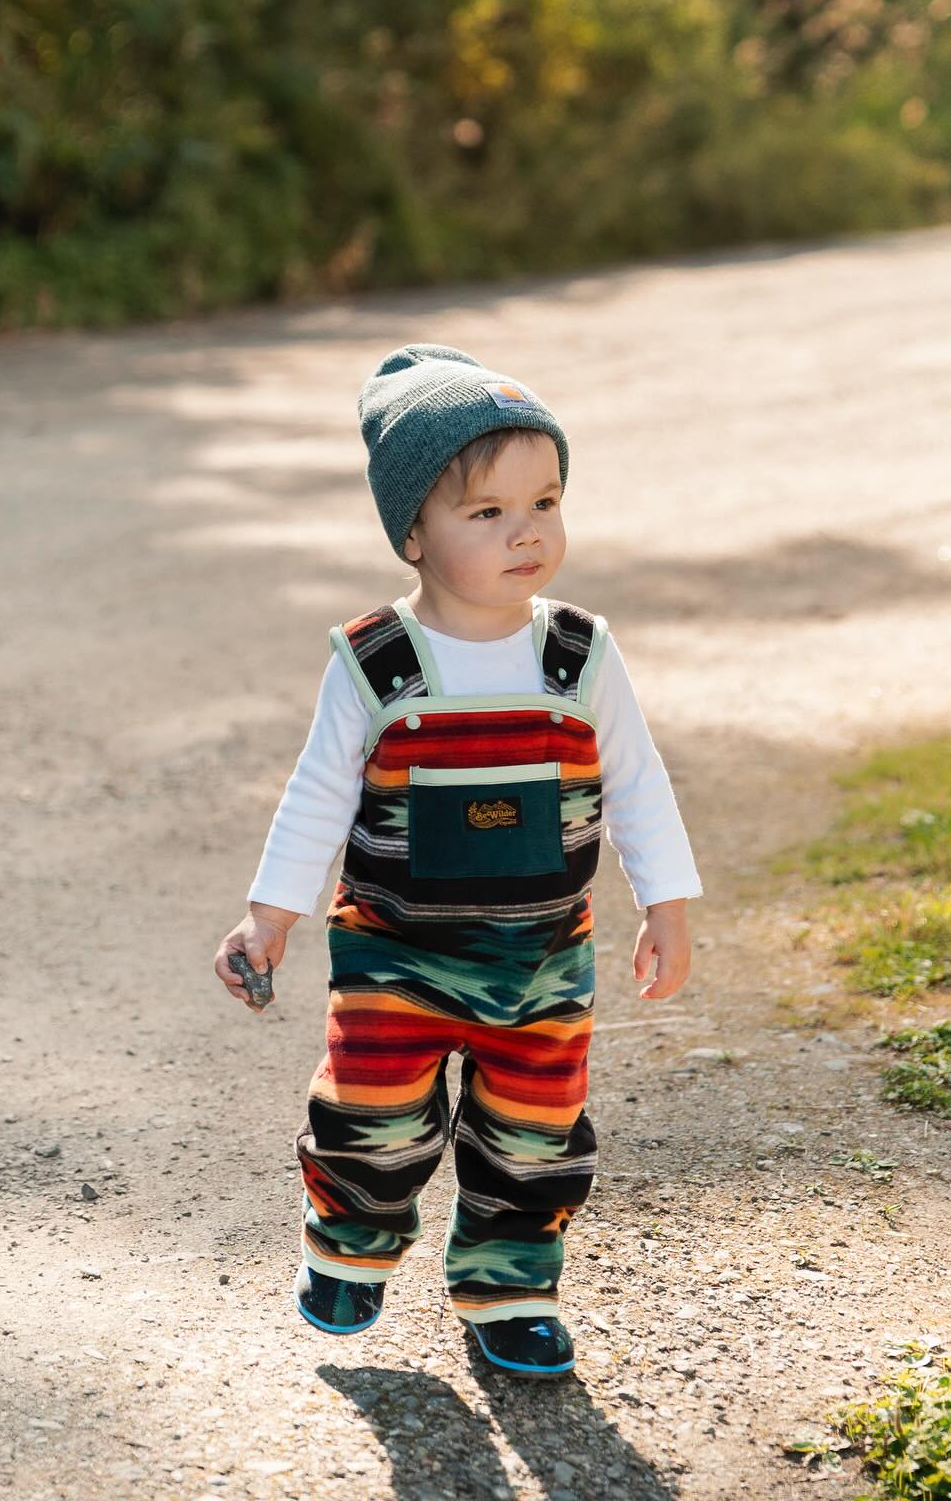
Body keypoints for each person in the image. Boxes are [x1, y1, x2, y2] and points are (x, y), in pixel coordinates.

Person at [213, 343, 702, 1378]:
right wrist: (272, 916)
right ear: (413, 536)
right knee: (371, 1115)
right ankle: (350, 1247)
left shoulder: (579, 652)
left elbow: (640, 783)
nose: (527, 531)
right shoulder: (377, 662)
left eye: (546, 500)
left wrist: (668, 903)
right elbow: (317, 794)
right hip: (394, 952)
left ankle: (511, 1286)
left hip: (543, 956)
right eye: (487, 513)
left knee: (534, 1135)